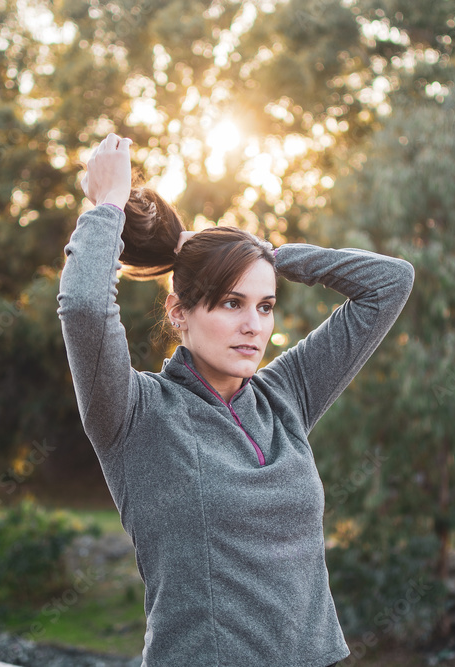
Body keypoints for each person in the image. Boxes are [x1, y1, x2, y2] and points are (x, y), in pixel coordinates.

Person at [57, 132, 415, 667]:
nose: (254, 326)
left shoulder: (284, 395)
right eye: (231, 302)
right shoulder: (135, 414)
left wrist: (264, 255)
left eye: (265, 305)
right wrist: (107, 206)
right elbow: (85, 306)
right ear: (179, 313)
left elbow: (389, 282)